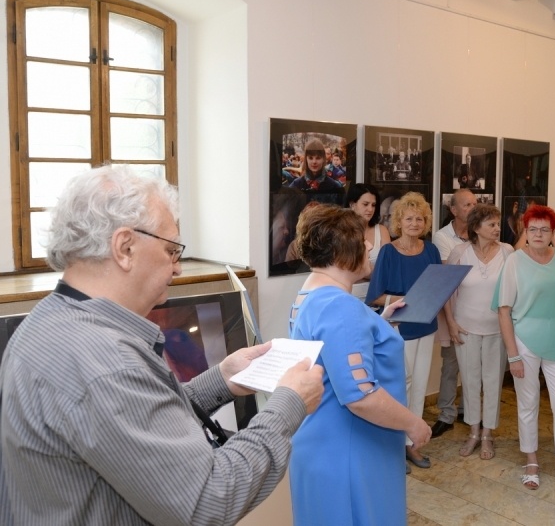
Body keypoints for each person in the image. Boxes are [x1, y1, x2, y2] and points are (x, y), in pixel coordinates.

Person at [0, 165, 324, 525]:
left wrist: (221, 380)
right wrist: (288, 405)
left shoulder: (48, 322)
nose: (178, 269)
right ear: (125, 247)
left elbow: (131, 427)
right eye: (172, 251)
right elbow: (208, 501)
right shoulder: (105, 362)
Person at [288, 205, 430, 526]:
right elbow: (360, 396)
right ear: (340, 252)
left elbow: (337, 352)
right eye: (360, 239)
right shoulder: (340, 307)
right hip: (350, 453)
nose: (368, 245)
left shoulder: (310, 294)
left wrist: (380, 324)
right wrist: (413, 424)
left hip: (322, 446)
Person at [492, 205, 555, 497]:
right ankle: (531, 462)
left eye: (544, 229)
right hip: (524, 342)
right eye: (532, 228)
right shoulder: (514, 262)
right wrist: (513, 355)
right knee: (528, 404)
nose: (538, 234)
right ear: (525, 231)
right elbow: (504, 311)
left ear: (552, 233)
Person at [366, 192, 441, 469]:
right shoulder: (388, 251)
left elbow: (437, 287)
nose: (414, 223)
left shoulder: (431, 250)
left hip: (427, 325)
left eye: (419, 218)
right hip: (399, 328)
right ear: (399, 221)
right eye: (408, 218)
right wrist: (404, 300)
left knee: (420, 385)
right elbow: (373, 297)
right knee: (402, 387)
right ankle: (394, 445)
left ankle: (413, 444)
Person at [443, 204, 513, 459]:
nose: (497, 228)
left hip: (498, 329)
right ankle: (473, 431)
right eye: (491, 224)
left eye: (497, 224)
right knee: (470, 381)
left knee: (493, 381)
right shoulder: (459, 252)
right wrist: (450, 322)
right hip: (465, 327)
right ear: (476, 228)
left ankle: (488, 434)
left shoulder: (508, 252)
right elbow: (447, 291)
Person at [430, 189, 477, 438]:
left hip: (478, 306)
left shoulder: (482, 232)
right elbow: (451, 276)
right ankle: (446, 414)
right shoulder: (442, 237)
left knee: (474, 366)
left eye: (475, 203)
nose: (473, 207)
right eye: (467, 204)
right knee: (451, 364)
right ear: (454, 210)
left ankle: (468, 411)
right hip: (453, 306)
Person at [345, 183, 391, 273]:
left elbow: (387, 267)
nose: (370, 209)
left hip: (376, 286)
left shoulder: (381, 231)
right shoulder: (342, 231)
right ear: (352, 205)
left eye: (373, 205)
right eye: (365, 204)